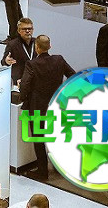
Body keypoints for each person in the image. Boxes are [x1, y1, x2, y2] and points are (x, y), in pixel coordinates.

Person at [20, 34, 75, 180]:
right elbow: (73, 75)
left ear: (36, 48)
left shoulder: (31, 64)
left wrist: (22, 97)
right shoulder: (59, 60)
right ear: (50, 46)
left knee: (39, 140)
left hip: (37, 108)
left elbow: (25, 85)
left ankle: (42, 171)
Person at [1, 18, 36, 85]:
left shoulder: (37, 42)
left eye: (30, 29)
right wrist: (6, 61)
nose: (27, 31)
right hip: (19, 81)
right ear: (19, 31)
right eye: (24, 29)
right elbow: (3, 62)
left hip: (35, 80)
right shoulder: (12, 44)